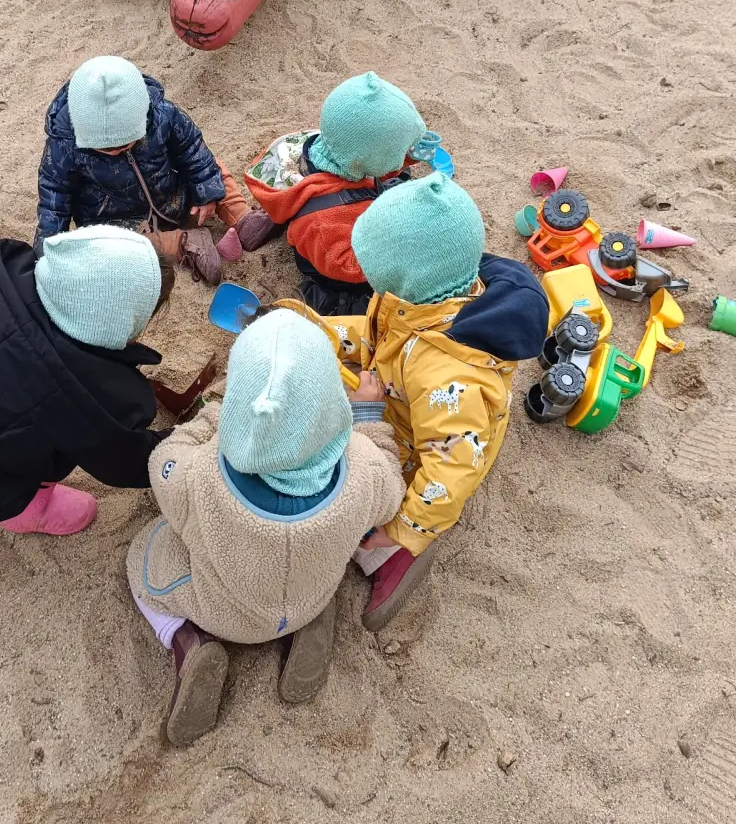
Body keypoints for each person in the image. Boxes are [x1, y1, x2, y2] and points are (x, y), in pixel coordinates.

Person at [126, 309, 404, 747]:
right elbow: (392, 483)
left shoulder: (200, 478)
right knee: (351, 535)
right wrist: (368, 416)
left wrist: (213, 418)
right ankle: (310, 620)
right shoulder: (365, 467)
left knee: (143, 553)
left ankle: (185, 640)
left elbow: (163, 461)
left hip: (227, 614)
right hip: (313, 590)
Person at [343, 173, 550, 631]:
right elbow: (380, 336)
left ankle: (396, 556)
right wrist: (319, 329)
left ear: (406, 277)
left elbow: (451, 472)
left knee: (359, 508)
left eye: (371, 265)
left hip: (425, 454)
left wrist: (401, 529)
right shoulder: (421, 299)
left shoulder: (447, 375)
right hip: (403, 396)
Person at [0, 227, 174, 532]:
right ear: (117, 323)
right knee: (54, 442)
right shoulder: (84, 388)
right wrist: (178, 445)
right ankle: (32, 511)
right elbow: (122, 460)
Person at [35, 55, 272, 284]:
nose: (116, 151)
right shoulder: (64, 146)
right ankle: (182, 244)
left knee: (211, 168)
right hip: (119, 218)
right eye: (104, 149)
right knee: (108, 246)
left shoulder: (163, 115)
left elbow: (191, 148)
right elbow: (53, 199)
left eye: (126, 143)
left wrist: (206, 190)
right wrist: (49, 250)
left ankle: (241, 218)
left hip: (173, 193)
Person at [243, 72, 426, 315]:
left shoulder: (340, 151)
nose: (402, 155)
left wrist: (404, 158)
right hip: (334, 263)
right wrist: (396, 253)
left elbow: (374, 164)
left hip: (348, 203)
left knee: (396, 182)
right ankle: (327, 302)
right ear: (363, 160)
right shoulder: (322, 222)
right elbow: (348, 266)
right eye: (398, 151)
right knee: (369, 302)